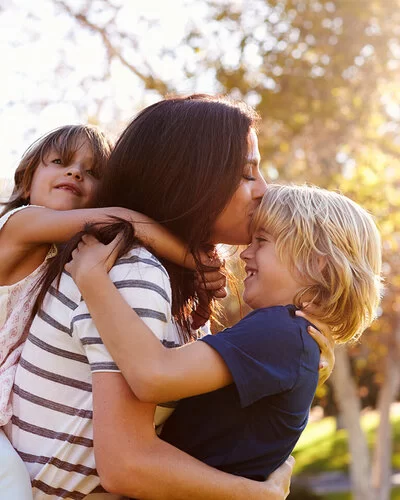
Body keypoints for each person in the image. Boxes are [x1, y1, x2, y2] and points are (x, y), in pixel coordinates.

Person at [6, 95, 332, 499]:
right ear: (192, 177)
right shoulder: (132, 273)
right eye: (248, 173)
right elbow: (127, 466)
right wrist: (257, 494)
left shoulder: (158, 279)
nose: (263, 189)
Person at [66, 183, 382, 481]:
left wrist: (92, 279)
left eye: (263, 241)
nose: (245, 254)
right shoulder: (293, 339)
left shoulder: (280, 330)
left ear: (317, 264)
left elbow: (153, 375)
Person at [0, 123, 207, 500]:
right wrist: (195, 262)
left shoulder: (61, 257)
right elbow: (123, 221)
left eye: (92, 172)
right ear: (28, 180)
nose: (75, 172)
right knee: (13, 487)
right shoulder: (19, 223)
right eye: (60, 161)